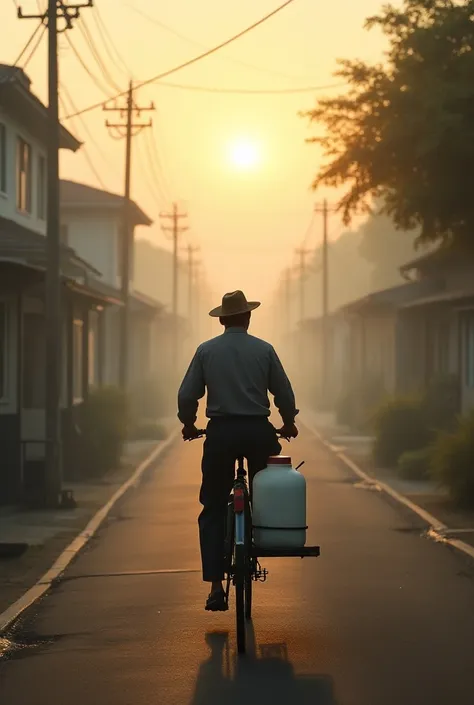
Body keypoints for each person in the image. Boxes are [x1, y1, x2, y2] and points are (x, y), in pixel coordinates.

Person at [177, 290, 299, 612]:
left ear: (222, 320)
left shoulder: (206, 352)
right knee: (268, 492)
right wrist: (288, 422)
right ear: (247, 318)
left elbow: (188, 395)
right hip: (259, 431)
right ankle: (260, 541)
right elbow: (283, 392)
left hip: (220, 433)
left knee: (214, 504)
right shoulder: (264, 350)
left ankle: (216, 586)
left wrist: (188, 424)